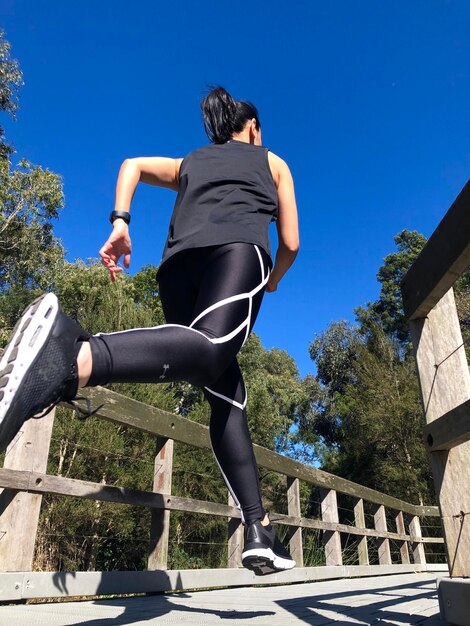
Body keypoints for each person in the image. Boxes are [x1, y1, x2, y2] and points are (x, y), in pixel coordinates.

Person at [0, 86, 299, 576]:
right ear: (252, 129)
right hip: (237, 254)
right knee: (210, 351)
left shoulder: (189, 163)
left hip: (178, 271)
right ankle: (72, 354)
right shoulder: (274, 162)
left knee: (226, 391)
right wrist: (271, 280)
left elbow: (133, 164)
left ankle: (257, 527)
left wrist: (121, 221)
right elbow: (289, 241)